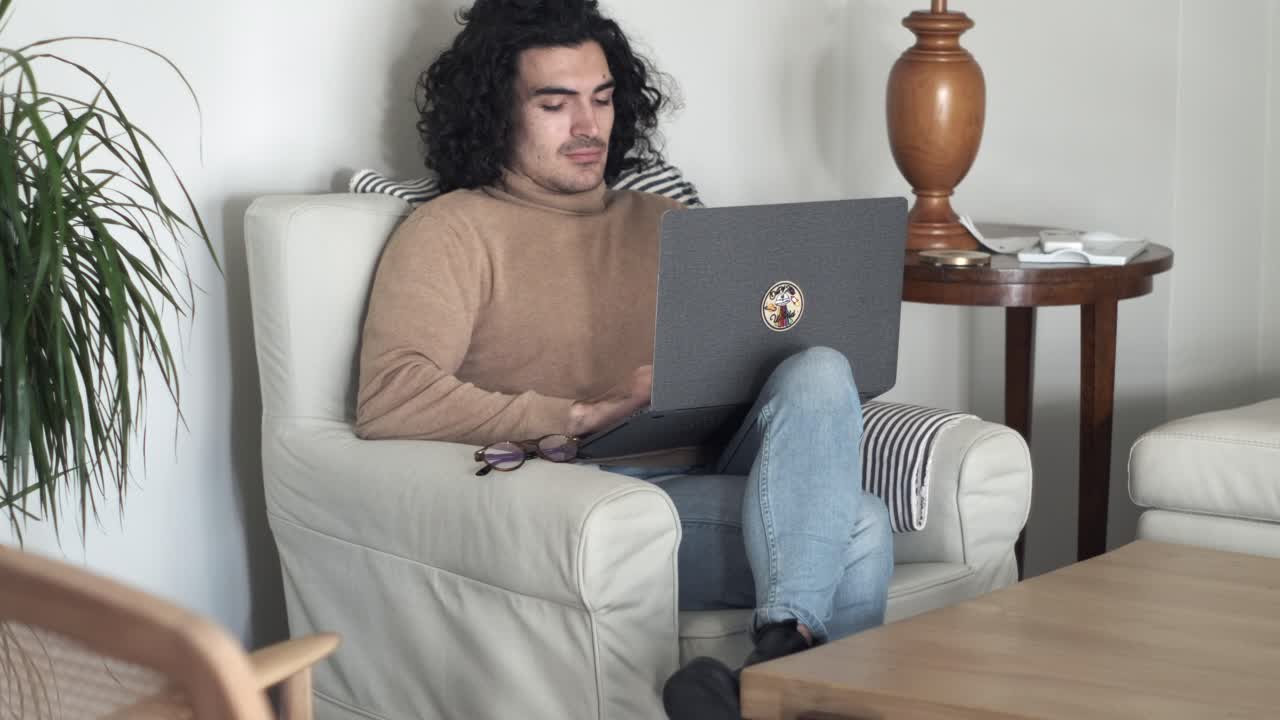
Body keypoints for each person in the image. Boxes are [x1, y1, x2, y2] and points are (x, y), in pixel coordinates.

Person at [355, 1, 893, 717]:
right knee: (859, 526)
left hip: (711, 465)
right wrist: (579, 413)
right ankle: (776, 672)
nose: (588, 126)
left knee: (820, 366)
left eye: (603, 99)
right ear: (495, 113)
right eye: (555, 104)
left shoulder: (671, 225)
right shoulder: (452, 231)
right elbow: (390, 396)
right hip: (593, 496)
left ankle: (768, 667)